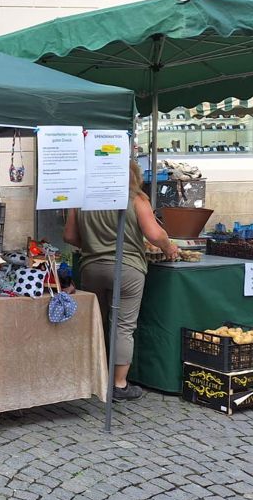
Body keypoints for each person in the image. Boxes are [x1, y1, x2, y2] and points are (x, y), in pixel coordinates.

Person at [63, 160, 178, 403]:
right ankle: (119, 384)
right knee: (123, 326)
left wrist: (94, 247)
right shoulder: (135, 198)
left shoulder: (81, 199)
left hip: (91, 267)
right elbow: (155, 234)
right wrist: (169, 248)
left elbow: (70, 236)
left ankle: (94, 376)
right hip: (127, 269)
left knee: (96, 322)